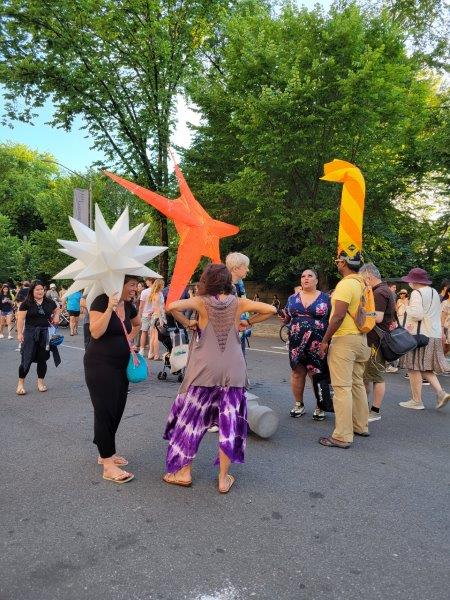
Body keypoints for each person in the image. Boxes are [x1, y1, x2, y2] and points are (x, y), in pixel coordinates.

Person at [162, 263, 277, 493]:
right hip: (233, 371)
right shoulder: (239, 303)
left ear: (206, 280)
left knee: (192, 421)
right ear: (227, 281)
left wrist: (188, 323)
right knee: (230, 424)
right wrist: (248, 322)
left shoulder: (200, 302)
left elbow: (172, 306)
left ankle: (183, 472)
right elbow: (271, 310)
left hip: (204, 371)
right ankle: (223, 479)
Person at [84, 275, 141, 483]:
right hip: (99, 364)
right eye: (132, 284)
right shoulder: (101, 300)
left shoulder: (129, 306)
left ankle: (106, 452)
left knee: (117, 409)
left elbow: (137, 324)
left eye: (136, 285)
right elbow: (95, 332)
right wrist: (110, 307)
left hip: (120, 366)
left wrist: (129, 341)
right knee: (104, 410)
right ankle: (107, 464)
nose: (135, 288)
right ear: (120, 284)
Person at [318, 252, 371, 449]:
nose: (337, 264)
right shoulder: (363, 283)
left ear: (343, 263)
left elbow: (338, 316)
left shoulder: (346, 284)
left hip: (345, 340)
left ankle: (342, 436)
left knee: (342, 388)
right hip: (361, 339)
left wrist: (325, 340)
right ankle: (360, 425)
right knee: (357, 384)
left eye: (338, 261)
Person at [281, 269, 331, 420]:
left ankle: (320, 406)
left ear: (316, 280)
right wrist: (284, 319)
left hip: (318, 343)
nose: (306, 278)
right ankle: (299, 404)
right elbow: (287, 318)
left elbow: (333, 320)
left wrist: (327, 341)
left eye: (310, 276)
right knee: (297, 372)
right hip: (296, 343)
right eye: (303, 276)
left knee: (316, 374)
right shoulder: (292, 298)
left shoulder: (326, 298)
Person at [398, 268, 450, 410]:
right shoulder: (433, 292)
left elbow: (417, 314)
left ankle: (416, 401)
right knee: (424, 367)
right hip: (433, 334)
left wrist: (405, 307)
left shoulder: (416, 293)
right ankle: (441, 393)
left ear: (414, 281)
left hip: (419, 335)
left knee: (413, 367)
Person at [359, 264, 396, 422]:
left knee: (376, 376)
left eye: (362, 279)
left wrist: (361, 312)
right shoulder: (384, 290)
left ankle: (374, 411)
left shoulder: (379, 292)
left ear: (369, 276)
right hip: (376, 340)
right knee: (369, 375)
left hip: (376, 341)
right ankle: (365, 408)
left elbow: (378, 316)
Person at [16, 280, 61, 395]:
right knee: (26, 359)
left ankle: (40, 383)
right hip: (30, 333)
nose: (40, 291)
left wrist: (56, 316)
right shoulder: (26, 303)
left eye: (42, 289)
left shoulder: (49, 302)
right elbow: (20, 319)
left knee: (42, 359)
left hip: (45, 334)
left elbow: (57, 309)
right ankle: (20, 383)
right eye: (37, 289)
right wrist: (20, 333)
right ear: (32, 290)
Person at [225, 252, 250, 356]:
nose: (247, 270)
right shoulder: (226, 288)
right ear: (235, 269)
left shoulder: (237, 285)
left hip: (238, 332)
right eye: (245, 267)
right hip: (230, 336)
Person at [147, 278, 166, 360]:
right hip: (158, 316)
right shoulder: (158, 295)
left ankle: (151, 354)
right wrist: (161, 319)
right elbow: (158, 308)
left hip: (154, 316)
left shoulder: (154, 294)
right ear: (159, 285)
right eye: (163, 285)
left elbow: (154, 307)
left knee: (153, 337)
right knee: (157, 338)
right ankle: (156, 355)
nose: (163, 286)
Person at [138, 276, 155, 355]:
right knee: (152, 333)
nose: (146, 282)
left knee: (144, 332)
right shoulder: (157, 291)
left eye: (147, 281)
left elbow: (141, 306)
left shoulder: (144, 292)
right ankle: (151, 352)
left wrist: (139, 315)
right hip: (154, 314)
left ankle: (141, 350)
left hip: (145, 314)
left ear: (150, 281)